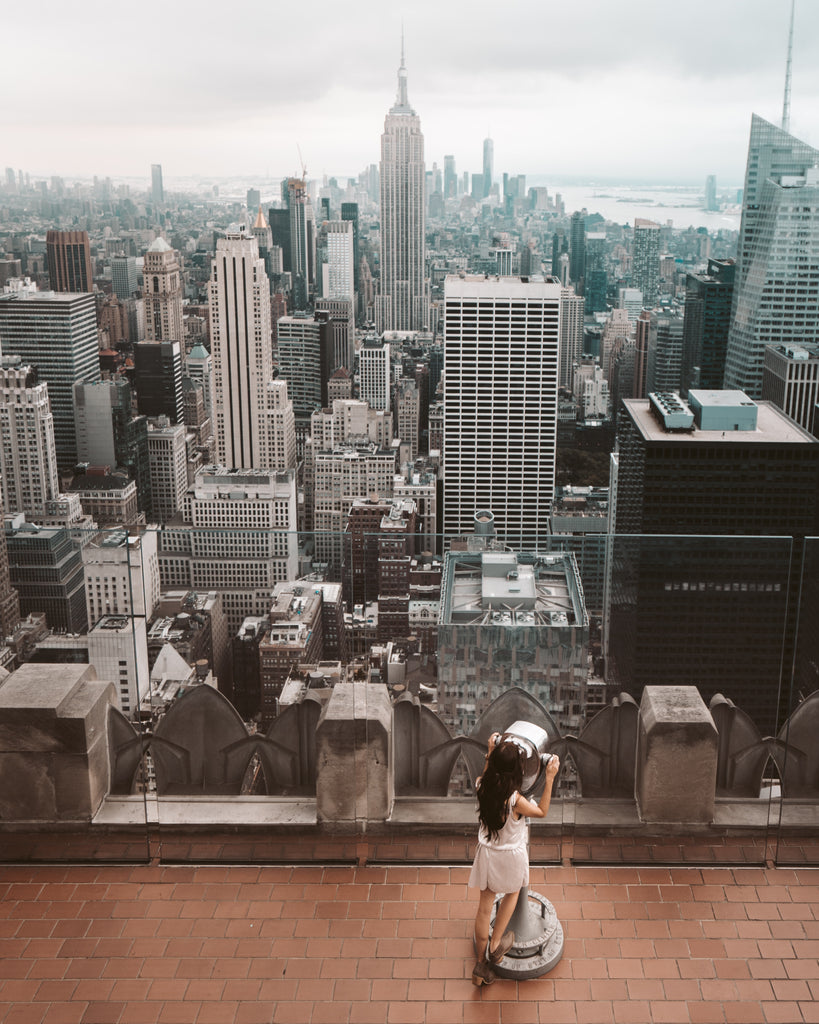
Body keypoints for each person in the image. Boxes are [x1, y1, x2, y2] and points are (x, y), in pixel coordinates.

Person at [468, 731, 560, 987]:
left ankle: (480, 964)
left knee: (484, 906)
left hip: (486, 853)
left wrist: (490, 752)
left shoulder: (481, 785)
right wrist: (549, 777)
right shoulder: (516, 801)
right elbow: (542, 811)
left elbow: (488, 773)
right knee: (512, 893)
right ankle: (496, 945)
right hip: (510, 856)